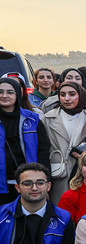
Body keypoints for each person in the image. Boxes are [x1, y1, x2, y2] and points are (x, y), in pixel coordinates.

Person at [0, 77, 50, 205]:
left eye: (10, 92)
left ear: (18, 94)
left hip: (29, 184)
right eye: (1, 92)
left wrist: (44, 180)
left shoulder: (32, 119)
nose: (4, 96)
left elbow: (43, 153)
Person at [42, 81, 86, 200]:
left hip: (85, 173)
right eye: (62, 95)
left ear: (81, 95)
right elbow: (42, 150)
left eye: (72, 94)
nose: (67, 98)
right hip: (58, 174)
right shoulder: (48, 118)